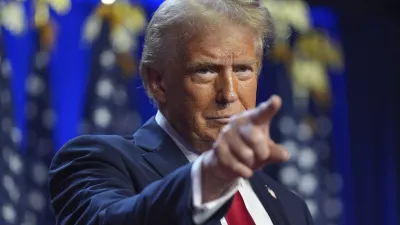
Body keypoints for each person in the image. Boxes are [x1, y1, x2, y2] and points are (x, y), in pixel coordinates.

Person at [48, 0, 313, 224]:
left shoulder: (291, 208)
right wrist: (210, 179)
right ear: (157, 82)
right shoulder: (96, 162)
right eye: (205, 70)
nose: (229, 94)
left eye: (243, 69)